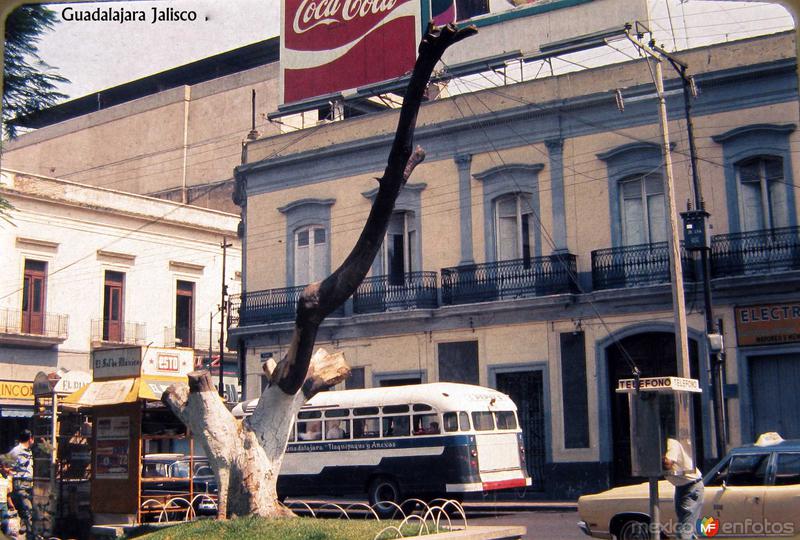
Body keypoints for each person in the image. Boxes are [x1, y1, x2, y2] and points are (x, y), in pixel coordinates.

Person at [663, 437, 704, 540]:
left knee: (684, 530)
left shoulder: (671, 444)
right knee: (687, 525)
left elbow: (667, 464)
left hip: (691, 486)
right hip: (680, 487)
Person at [9, 430, 34, 540]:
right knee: (28, 509)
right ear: (30, 439)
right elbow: (4, 464)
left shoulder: (29, 451)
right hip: (20, 484)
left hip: (29, 484)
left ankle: (25, 533)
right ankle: (30, 535)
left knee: (28, 511)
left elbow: (50, 450)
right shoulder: (16, 451)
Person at [1, 454, 17, 539]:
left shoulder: (8, 478)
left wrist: (10, 504)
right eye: (6, 467)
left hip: (3, 504)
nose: (8, 469)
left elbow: (8, 493)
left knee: (5, 523)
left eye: (9, 467)